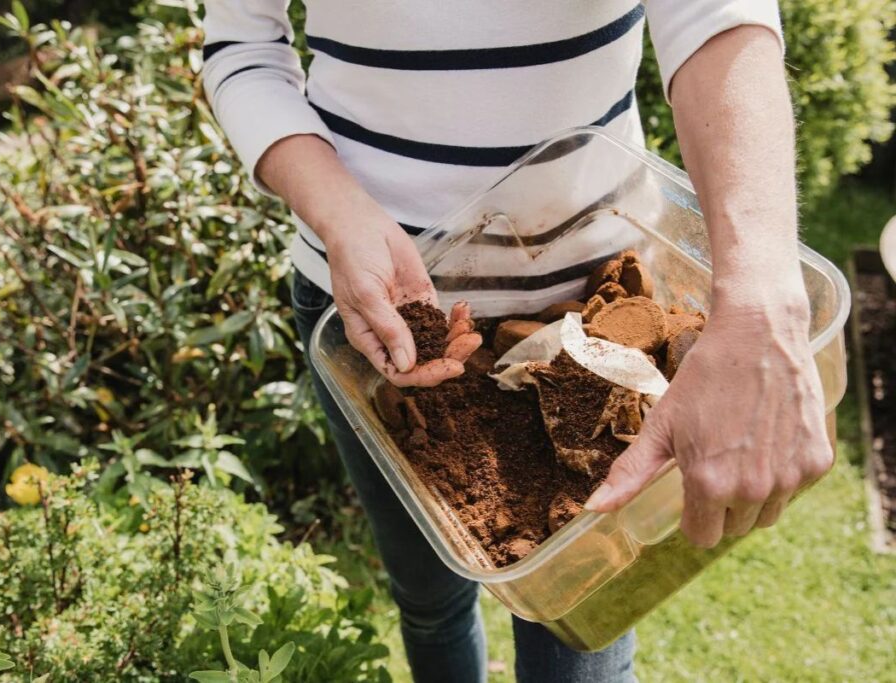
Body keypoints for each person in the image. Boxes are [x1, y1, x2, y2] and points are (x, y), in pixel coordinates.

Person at [201, 2, 834, 681]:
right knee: (430, 599)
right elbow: (242, 47)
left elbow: (715, 13)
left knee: (580, 634)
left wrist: (760, 308)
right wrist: (339, 211)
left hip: (600, 318)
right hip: (376, 314)